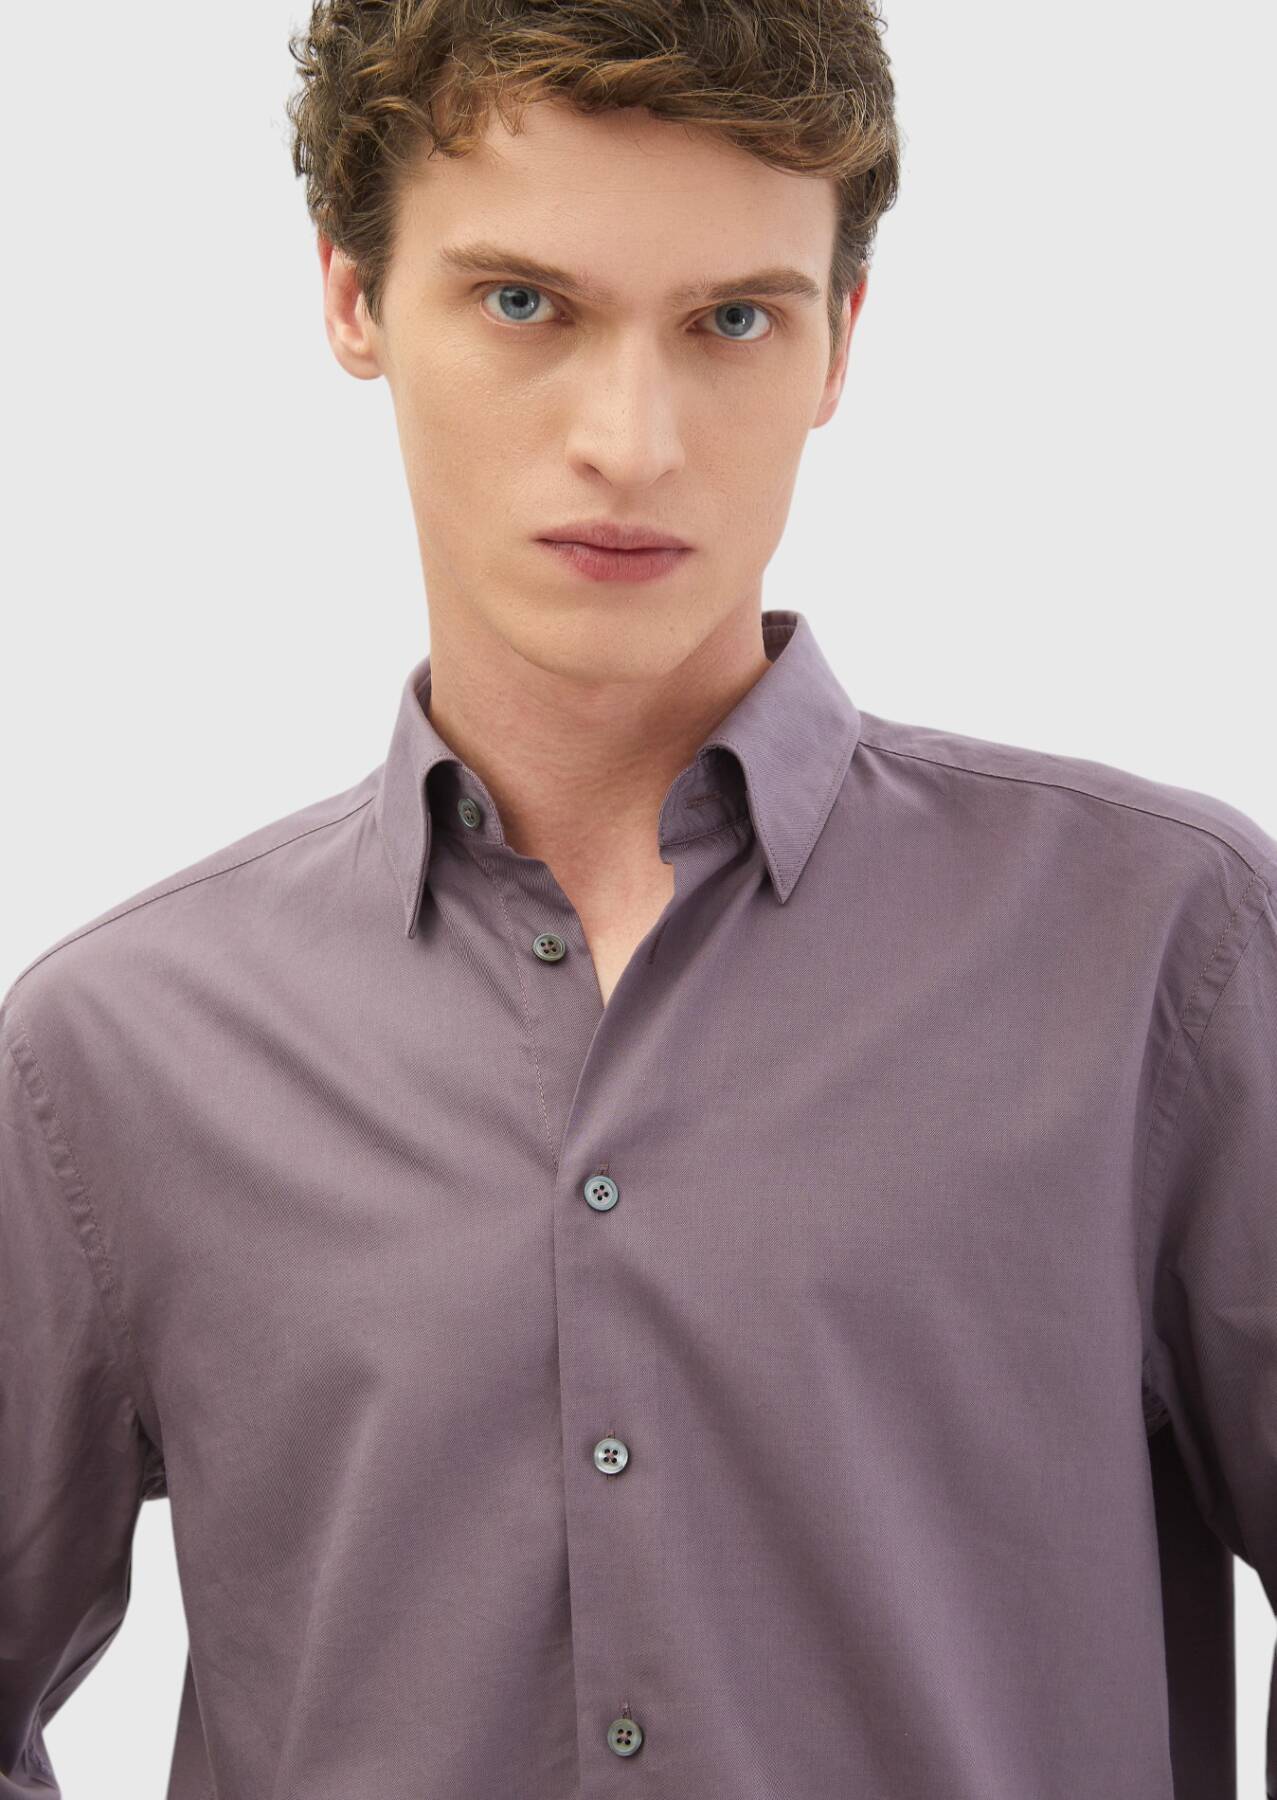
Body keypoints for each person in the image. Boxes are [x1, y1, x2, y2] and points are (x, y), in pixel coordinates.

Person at [2, 2, 1274, 1796]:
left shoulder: (1164, 953)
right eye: (525, 302)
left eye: (730, 319)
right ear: (354, 299)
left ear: (838, 342)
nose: (631, 439)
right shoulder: (114, 1051)